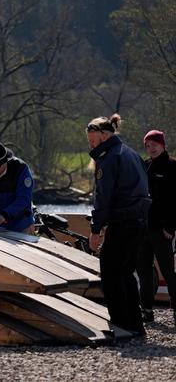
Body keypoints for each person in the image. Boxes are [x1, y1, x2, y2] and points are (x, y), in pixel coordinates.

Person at [86, 114, 150, 336]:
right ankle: (135, 323)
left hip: (123, 222)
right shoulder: (132, 154)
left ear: (104, 136)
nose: (91, 146)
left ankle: (121, 323)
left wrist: (96, 229)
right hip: (139, 221)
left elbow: (103, 198)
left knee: (111, 272)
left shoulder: (109, 158)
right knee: (127, 272)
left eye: (93, 141)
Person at [136, 129, 176, 323]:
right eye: (147, 145)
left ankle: (175, 307)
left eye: (154, 144)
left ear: (162, 145)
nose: (150, 148)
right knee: (144, 271)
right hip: (143, 229)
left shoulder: (172, 166)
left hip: (163, 231)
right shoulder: (145, 166)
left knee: (168, 271)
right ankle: (146, 309)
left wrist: (171, 227)